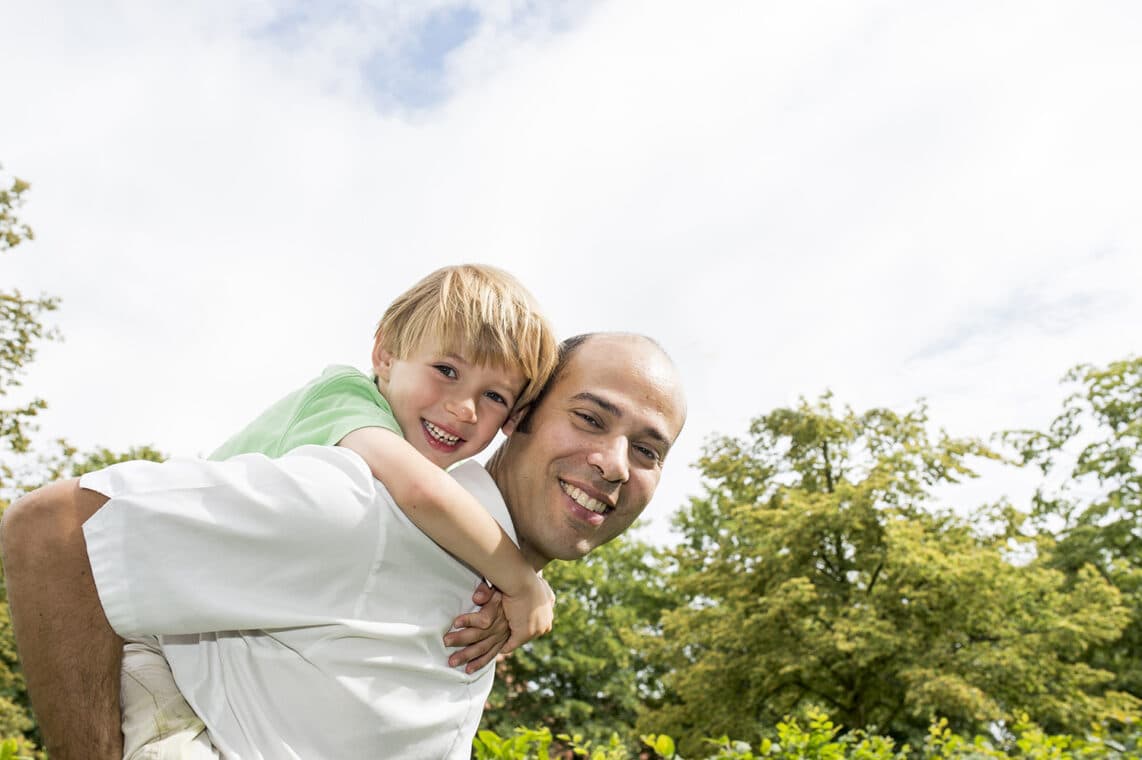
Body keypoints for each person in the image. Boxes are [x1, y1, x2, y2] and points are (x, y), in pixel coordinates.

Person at [1, 332, 687, 759]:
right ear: (520, 419)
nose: (614, 463)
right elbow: (57, 528)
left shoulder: (493, 596)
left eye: (647, 449)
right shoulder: (374, 513)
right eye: (590, 418)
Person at [118, 262, 561, 758]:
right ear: (386, 355)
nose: (464, 408)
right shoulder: (347, 399)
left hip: (211, 647)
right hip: (154, 632)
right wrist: (523, 582)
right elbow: (422, 493)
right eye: (447, 371)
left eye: (494, 396)